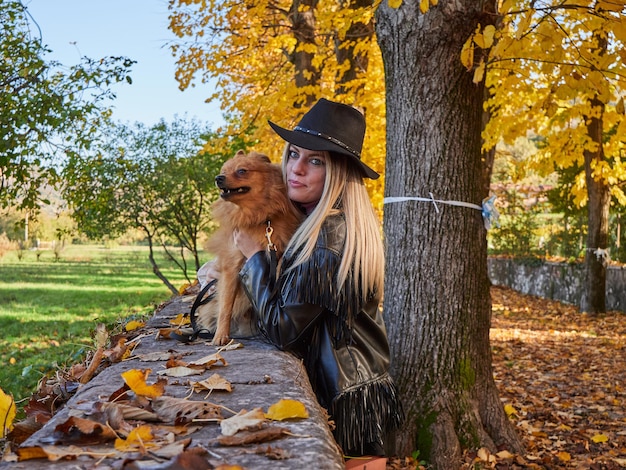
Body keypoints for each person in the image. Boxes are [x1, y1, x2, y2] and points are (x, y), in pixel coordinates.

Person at [232, 98, 404, 458]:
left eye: (315, 161)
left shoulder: (330, 238)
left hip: (348, 406)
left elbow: (282, 329)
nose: (296, 169)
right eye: (294, 153)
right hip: (351, 393)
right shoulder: (317, 225)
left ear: (338, 173)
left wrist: (254, 259)